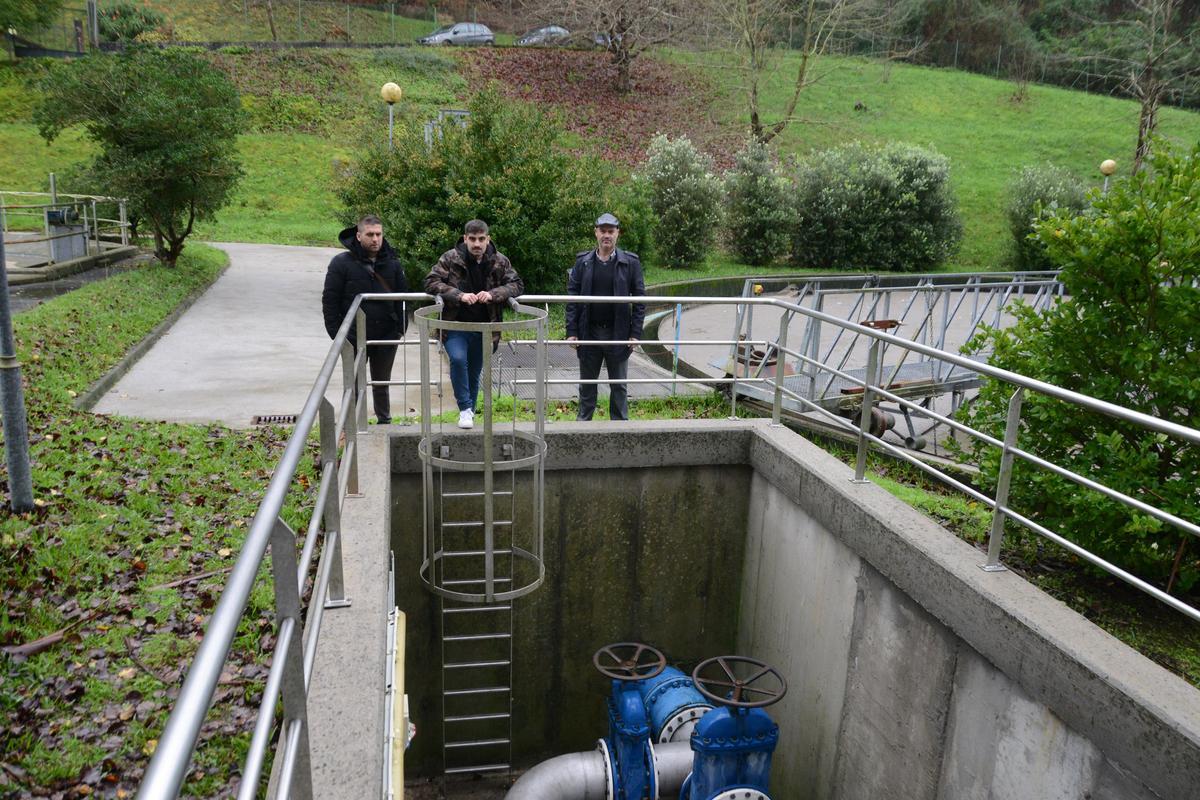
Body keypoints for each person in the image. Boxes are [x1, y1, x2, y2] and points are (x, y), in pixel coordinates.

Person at [424, 220, 524, 430]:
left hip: (485, 328)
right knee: (458, 360)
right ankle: (464, 408)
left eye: (481, 239)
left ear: (488, 239)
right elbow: (431, 281)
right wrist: (458, 295)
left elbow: (516, 284)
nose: (476, 244)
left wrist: (493, 294)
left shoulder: (499, 260)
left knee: (475, 370)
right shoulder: (450, 258)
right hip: (455, 325)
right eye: (472, 239)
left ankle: (469, 410)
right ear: (465, 238)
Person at [322, 214, 408, 425]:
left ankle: (384, 421)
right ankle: (352, 425)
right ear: (359, 236)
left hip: (387, 334)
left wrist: (400, 328)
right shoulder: (341, 263)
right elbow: (330, 300)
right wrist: (338, 334)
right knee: (354, 383)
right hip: (353, 335)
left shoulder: (392, 263)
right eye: (370, 234)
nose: (375, 239)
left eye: (378, 234)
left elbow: (403, 298)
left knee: (381, 382)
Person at [566, 212, 646, 421]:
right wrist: (572, 332)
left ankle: (620, 430)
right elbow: (572, 297)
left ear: (617, 233)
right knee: (587, 387)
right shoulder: (583, 262)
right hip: (588, 333)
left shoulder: (630, 263)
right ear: (596, 232)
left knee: (619, 386)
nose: (607, 235)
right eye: (603, 231)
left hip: (617, 333)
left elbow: (639, 300)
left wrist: (635, 334)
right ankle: (582, 428)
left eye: (611, 231)